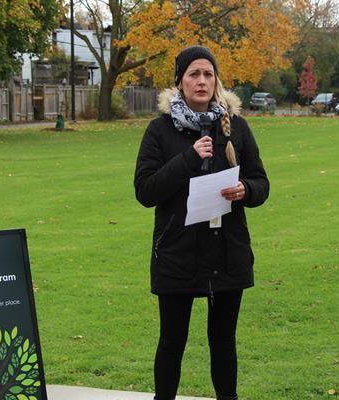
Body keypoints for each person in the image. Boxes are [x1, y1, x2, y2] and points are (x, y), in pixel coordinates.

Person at [134, 45, 269, 400]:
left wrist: (246, 190)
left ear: (216, 80)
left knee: (223, 341)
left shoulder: (235, 127)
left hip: (227, 252)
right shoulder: (159, 131)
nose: (202, 81)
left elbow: (262, 183)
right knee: (172, 342)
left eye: (208, 74)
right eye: (194, 74)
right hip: (178, 252)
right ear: (179, 82)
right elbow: (146, 191)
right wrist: (188, 159)